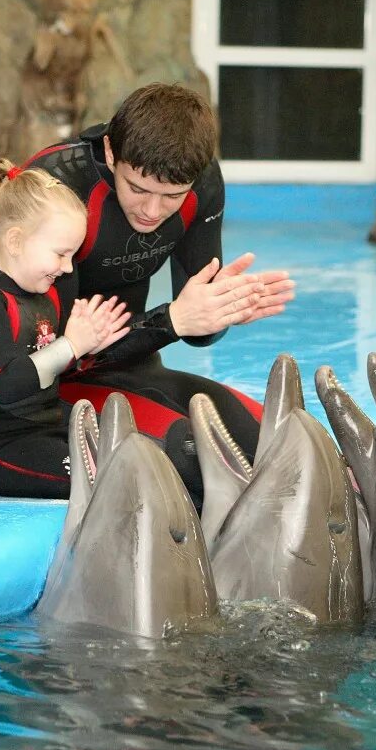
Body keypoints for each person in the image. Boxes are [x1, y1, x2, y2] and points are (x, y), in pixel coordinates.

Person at [25, 82, 296, 478]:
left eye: (172, 196)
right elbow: (38, 355)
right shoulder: (59, 184)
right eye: (137, 188)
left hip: (132, 370)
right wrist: (172, 321)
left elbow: (198, 335)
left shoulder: (201, 181)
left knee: (288, 441)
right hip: (50, 393)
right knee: (203, 461)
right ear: (110, 152)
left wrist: (220, 311)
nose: (153, 211)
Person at [0, 160, 133, 498]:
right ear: (15, 241)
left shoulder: (45, 290)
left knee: (142, 457)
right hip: (2, 445)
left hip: (49, 423)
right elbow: (8, 384)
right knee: (111, 482)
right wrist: (70, 346)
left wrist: (90, 345)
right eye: (62, 254)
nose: (67, 268)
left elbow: (49, 358)